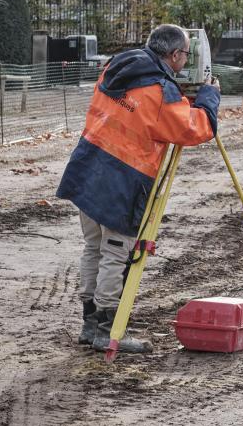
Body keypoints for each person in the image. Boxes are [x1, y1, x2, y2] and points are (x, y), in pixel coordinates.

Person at [57, 24, 221, 353]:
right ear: (174, 55)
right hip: (121, 180)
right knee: (116, 254)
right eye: (185, 55)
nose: (186, 60)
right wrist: (208, 97)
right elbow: (194, 128)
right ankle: (108, 329)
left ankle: (90, 325)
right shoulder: (161, 92)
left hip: (88, 166)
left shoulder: (117, 66)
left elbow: (142, 113)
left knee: (94, 248)